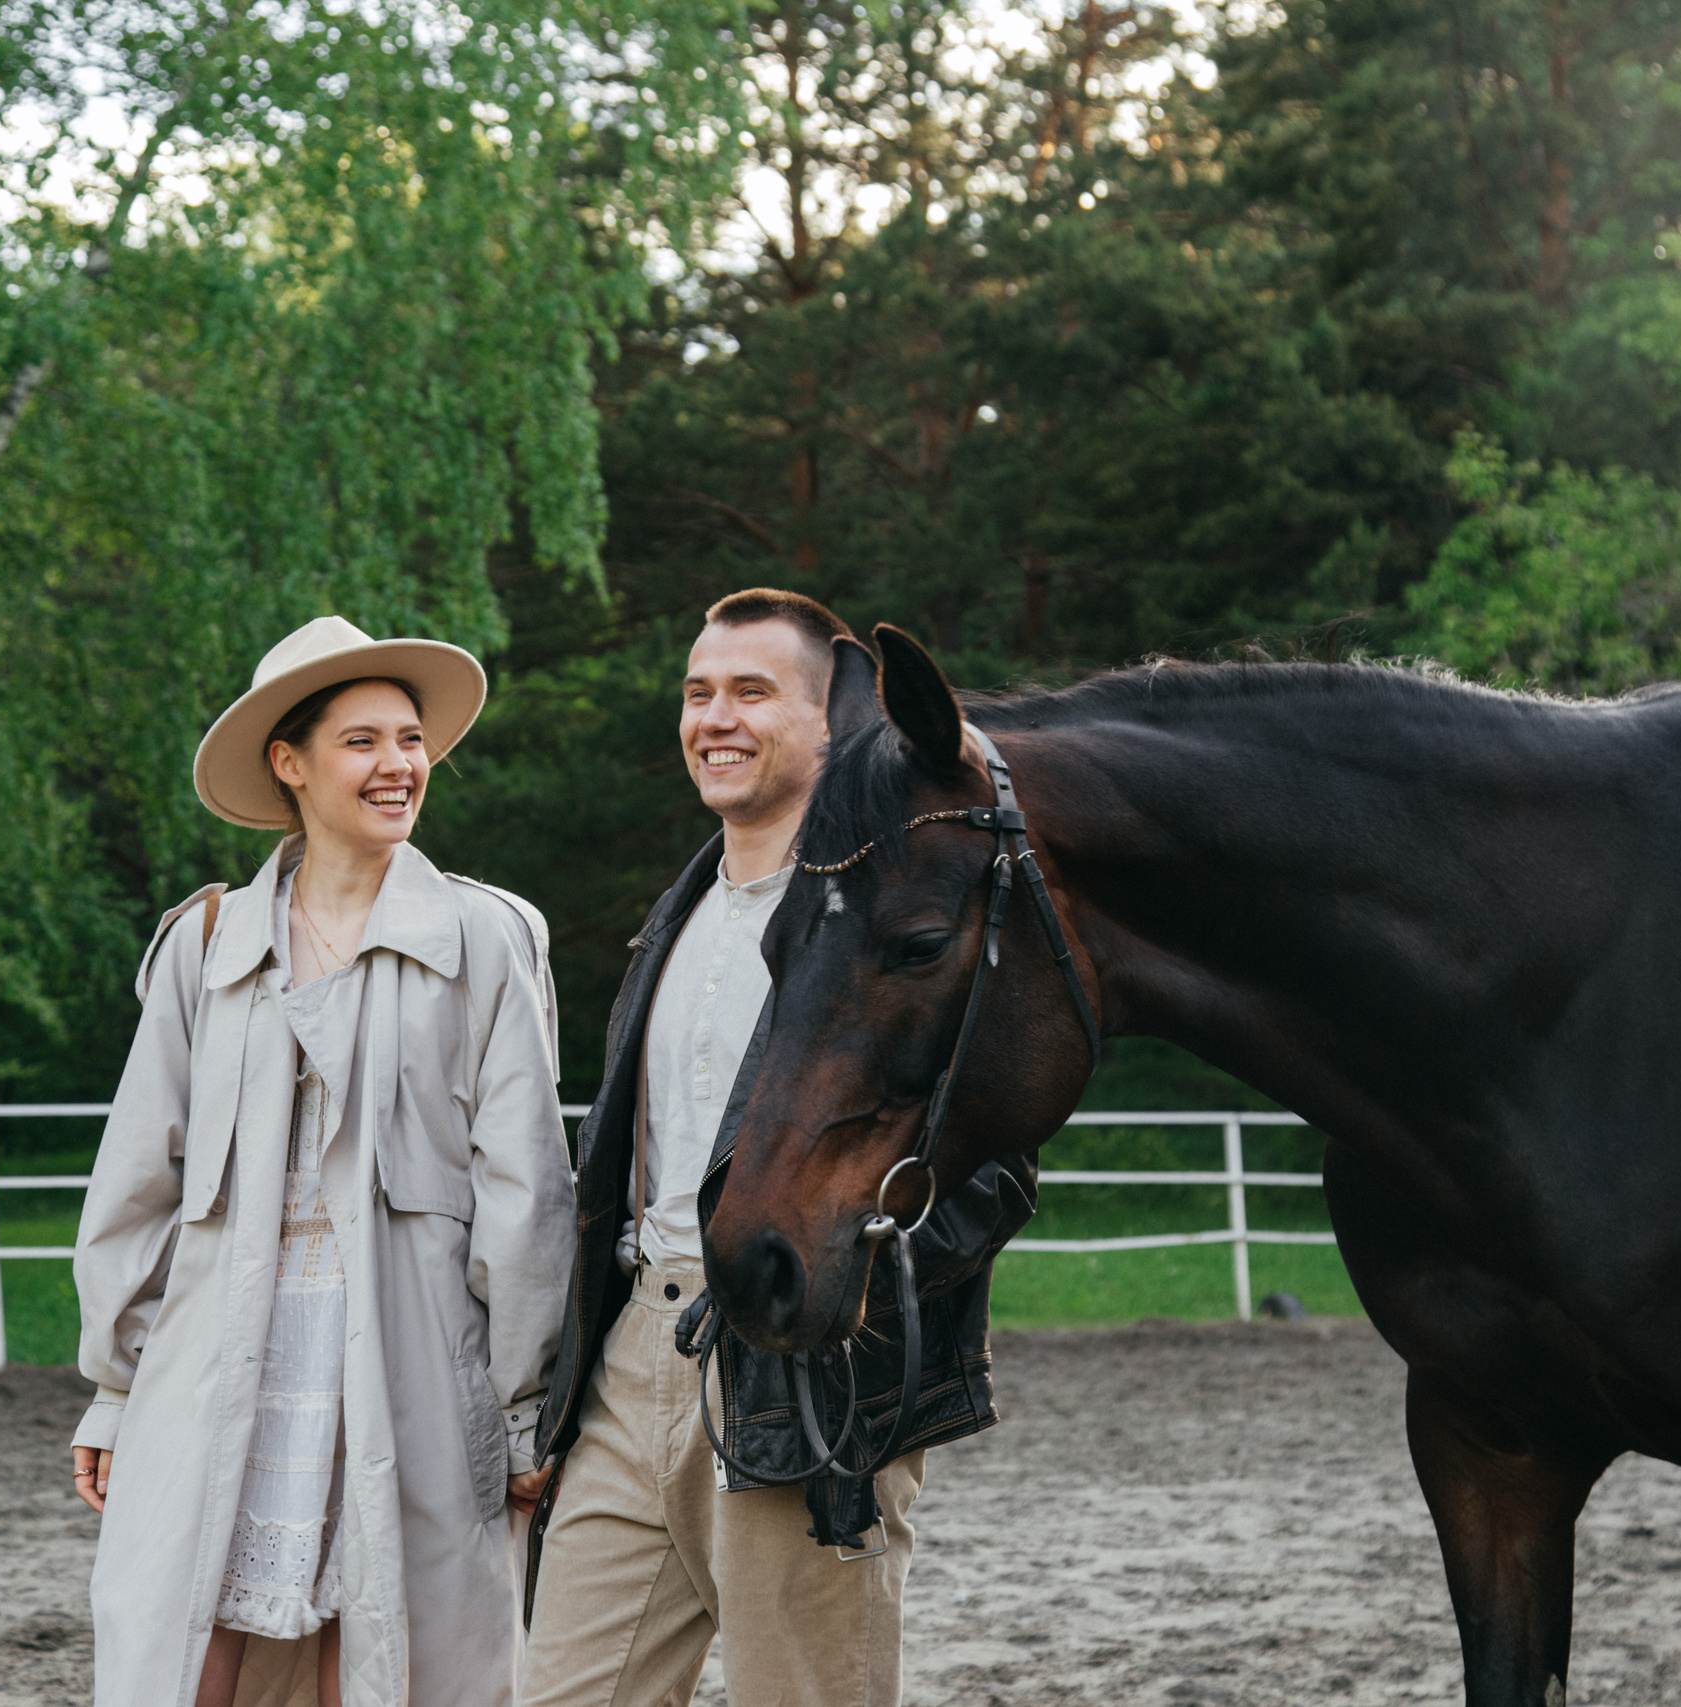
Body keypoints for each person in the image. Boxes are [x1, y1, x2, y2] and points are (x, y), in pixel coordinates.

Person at [519, 589, 1038, 1707]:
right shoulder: (677, 913)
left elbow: (994, 1168)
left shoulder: (890, 929)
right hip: (628, 1363)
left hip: (804, 1381)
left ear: (828, 724)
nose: (715, 717)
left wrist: (852, 1297)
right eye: (699, 692)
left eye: (753, 692)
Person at [68, 615, 574, 1707]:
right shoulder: (202, 942)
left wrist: (525, 1412)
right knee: (172, 1636)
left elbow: (525, 1192)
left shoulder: (489, 938)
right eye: (361, 741)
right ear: (288, 764)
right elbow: (135, 1182)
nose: (399, 765)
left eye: (409, 739)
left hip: (411, 1359)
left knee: (392, 1642)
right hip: (212, 1355)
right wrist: (115, 1388)